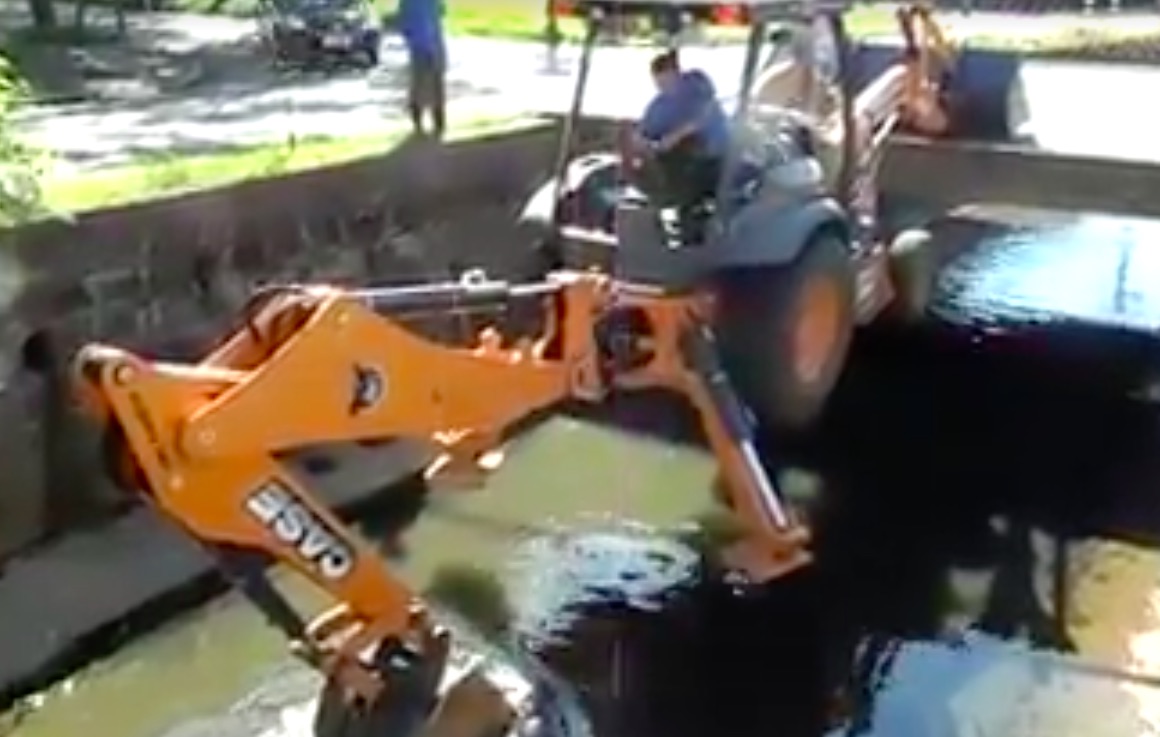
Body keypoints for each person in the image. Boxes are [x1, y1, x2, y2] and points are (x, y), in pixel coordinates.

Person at [632, 49, 730, 242]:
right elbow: (643, 132)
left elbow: (700, 120)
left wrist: (674, 137)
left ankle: (693, 234)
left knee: (688, 169)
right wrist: (642, 143)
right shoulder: (659, 105)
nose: (663, 87)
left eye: (667, 81)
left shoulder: (697, 89)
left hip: (716, 159)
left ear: (676, 74)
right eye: (658, 83)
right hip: (676, 164)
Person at [397, 0, 447, 137]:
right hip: (422, 47)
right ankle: (422, 122)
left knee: (432, 85)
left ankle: (436, 122)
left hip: (430, 45)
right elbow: (405, 26)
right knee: (422, 85)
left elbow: (440, 13)